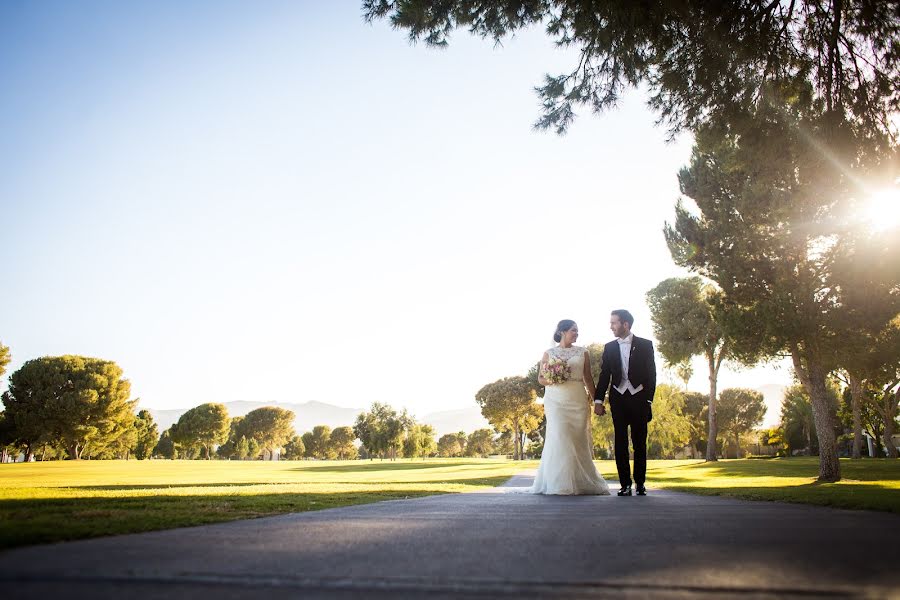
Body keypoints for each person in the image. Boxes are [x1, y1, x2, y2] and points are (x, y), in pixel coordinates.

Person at [531, 320, 610, 496]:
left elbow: (588, 378)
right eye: (574, 330)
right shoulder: (549, 353)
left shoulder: (583, 352)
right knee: (560, 435)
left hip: (577, 398)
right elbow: (540, 379)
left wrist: (597, 400)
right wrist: (552, 379)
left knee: (577, 439)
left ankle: (581, 482)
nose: (577, 334)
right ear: (562, 332)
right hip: (555, 400)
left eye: (577, 331)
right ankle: (559, 484)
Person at [595, 309, 657, 496]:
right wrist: (598, 400)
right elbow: (605, 374)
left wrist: (648, 399)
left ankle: (640, 483)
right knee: (620, 443)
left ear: (625, 324)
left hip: (639, 399)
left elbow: (651, 374)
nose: (611, 326)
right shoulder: (610, 347)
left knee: (640, 443)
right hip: (618, 399)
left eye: (614, 323)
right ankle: (625, 485)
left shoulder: (646, 345)